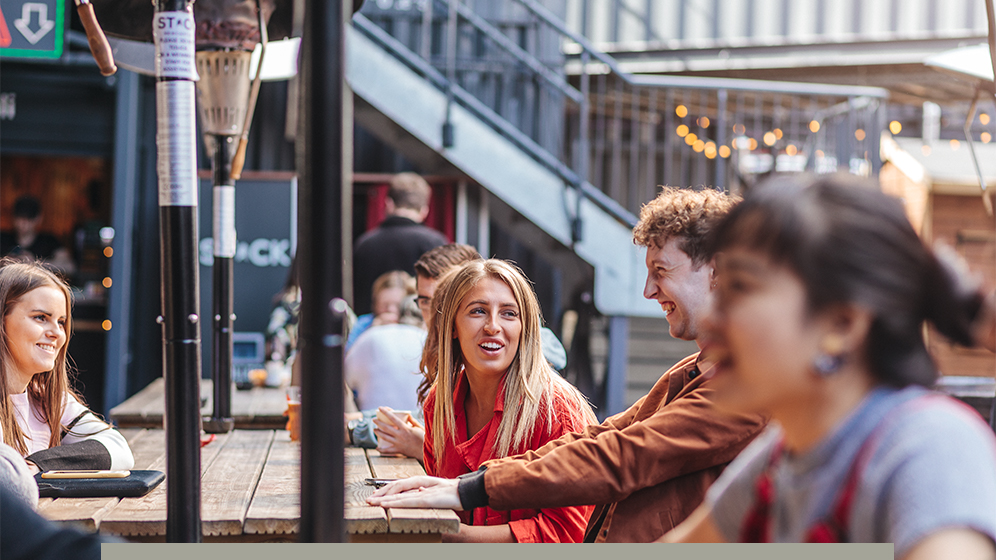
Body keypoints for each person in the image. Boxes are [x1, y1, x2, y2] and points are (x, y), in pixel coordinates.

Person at [370, 187, 767, 542]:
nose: (647, 291)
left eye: (660, 271)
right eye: (476, 312)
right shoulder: (689, 372)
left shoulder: (748, 383)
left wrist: (466, 490)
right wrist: (466, 486)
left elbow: (623, 455)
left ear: (717, 271)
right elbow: (600, 438)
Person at [659, 174, 996, 558]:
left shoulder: (929, 446)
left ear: (841, 324)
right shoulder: (784, 456)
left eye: (740, 287)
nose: (713, 317)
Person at [422, 259, 598, 542]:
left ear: (524, 327)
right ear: (452, 325)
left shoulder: (556, 410)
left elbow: (569, 533)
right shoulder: (439, 402)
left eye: (508, 314)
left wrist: (459, 538)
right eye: (478, 311)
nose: (493, 326)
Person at [0, 259, 133, 472]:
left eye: (61, 322)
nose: (56, 333)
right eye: (41, 317)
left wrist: (39, 464)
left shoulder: (46, 398)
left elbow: (119, 450)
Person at [353, 172, 448, 316]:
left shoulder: (364, 244)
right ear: (424, 210)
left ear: (388, 204)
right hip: (421, 332)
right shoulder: (437, 244)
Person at [345, 296, 426, 413]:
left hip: (374, 423)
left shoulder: (371, 335)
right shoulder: (428, 341)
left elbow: (344, 380)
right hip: (421, 424)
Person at [1, 196, 76, 276]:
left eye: (29, 219)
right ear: (14, 218)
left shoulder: (49, 241)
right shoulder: (3, 238)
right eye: (20, 218)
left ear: (38, 218)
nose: (24, 223)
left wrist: (36, 263)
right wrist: (5, 261)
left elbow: (70, 267)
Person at [345, 270, 415, 351]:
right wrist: (372, 331)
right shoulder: (365, 324)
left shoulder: (416, 324)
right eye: (385, 305)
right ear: (375, 304)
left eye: (397, 305)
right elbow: (348, 354)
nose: (390, 309)